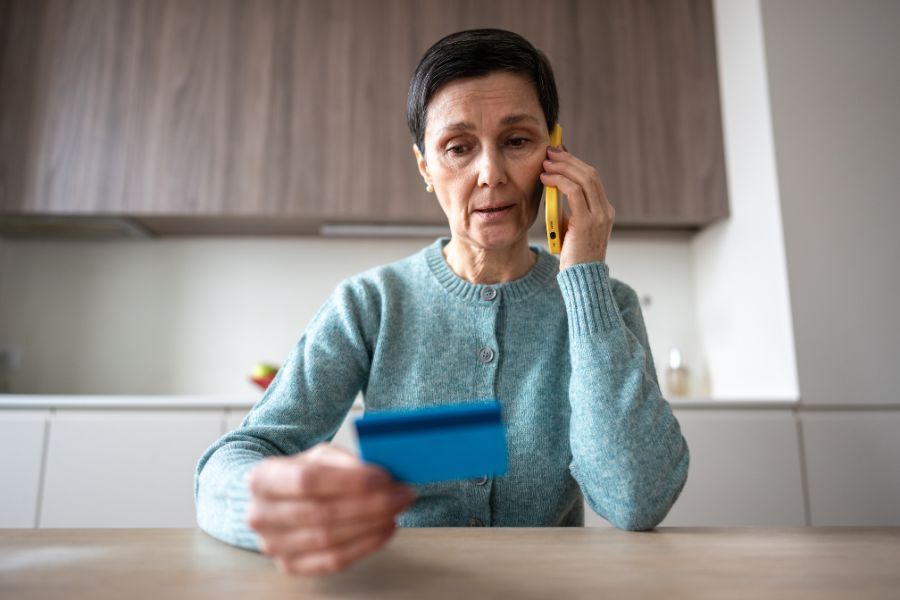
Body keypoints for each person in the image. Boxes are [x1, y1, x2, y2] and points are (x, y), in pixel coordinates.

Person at [194, 28, 689, 576]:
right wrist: (269, 498)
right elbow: (235, 459)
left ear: (554, 152)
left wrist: (585, 276)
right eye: (458, 148)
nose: (491, 173)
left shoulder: (603, 303)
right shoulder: (371, 304)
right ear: (426, 167)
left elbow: (636, 499)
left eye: (518, 141)